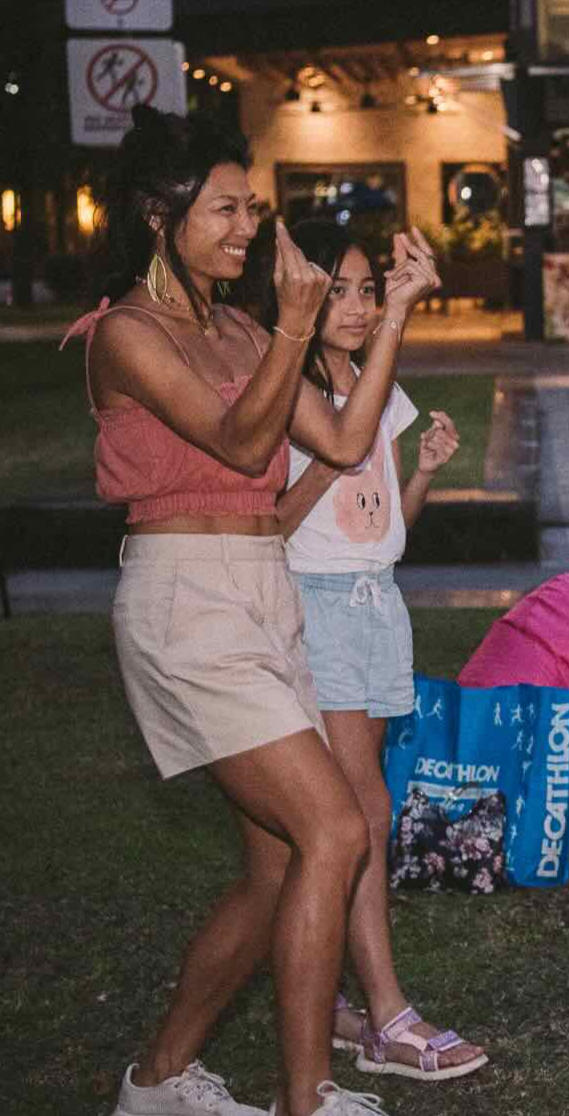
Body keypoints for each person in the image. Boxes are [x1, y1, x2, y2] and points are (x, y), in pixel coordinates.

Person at [62, 106, 438, 1116]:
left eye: (249, 209)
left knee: (277, 870)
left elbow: (345, 439)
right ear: (160, 214)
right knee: (333, 828)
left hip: (266, 590)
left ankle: (157, 1080)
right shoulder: (127, 335)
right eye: (224, 209)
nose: (246, 229)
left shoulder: (235, 326)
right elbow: (238, 444)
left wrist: (395, 313)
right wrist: (293, 329)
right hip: (186, 601)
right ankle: (304, 1096)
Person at [249, 219, 486, 1083]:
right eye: (337, 291)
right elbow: (269, 526)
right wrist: (331, 455)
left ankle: (340, 1005)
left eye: (364, 290)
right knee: (362, 814)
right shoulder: (288, 388)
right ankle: (386, 1016)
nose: (354, 308)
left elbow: (383, 529)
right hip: (320, 610)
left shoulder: (374, 384)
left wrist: (418, 473)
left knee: (351, 816)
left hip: (377, 606)